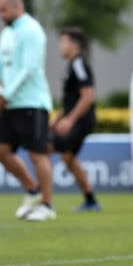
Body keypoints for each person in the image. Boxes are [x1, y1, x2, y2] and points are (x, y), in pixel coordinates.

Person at [0, 0, 55, 222]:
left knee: (38, 154)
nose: (0, 14)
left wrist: (7, 94)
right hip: (10, 104)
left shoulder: (32, 30)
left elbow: (29, 68)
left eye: (3, 9)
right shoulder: (7, 33)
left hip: (32, 102)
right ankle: (32, 189)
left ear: (17, 7)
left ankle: (47, 205)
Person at [49, 27, 101, 213]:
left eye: (63, 41)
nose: (60, 46)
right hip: (75, 120)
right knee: (67, 158)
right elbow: (72, 100)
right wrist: (57, 118)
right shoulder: (72, 65)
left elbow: (88, 96)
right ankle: (91, 200)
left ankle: (41, 199)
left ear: (73, 44)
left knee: (43, 147)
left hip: (81, 121)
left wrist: (69, 120)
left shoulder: (79, 64)